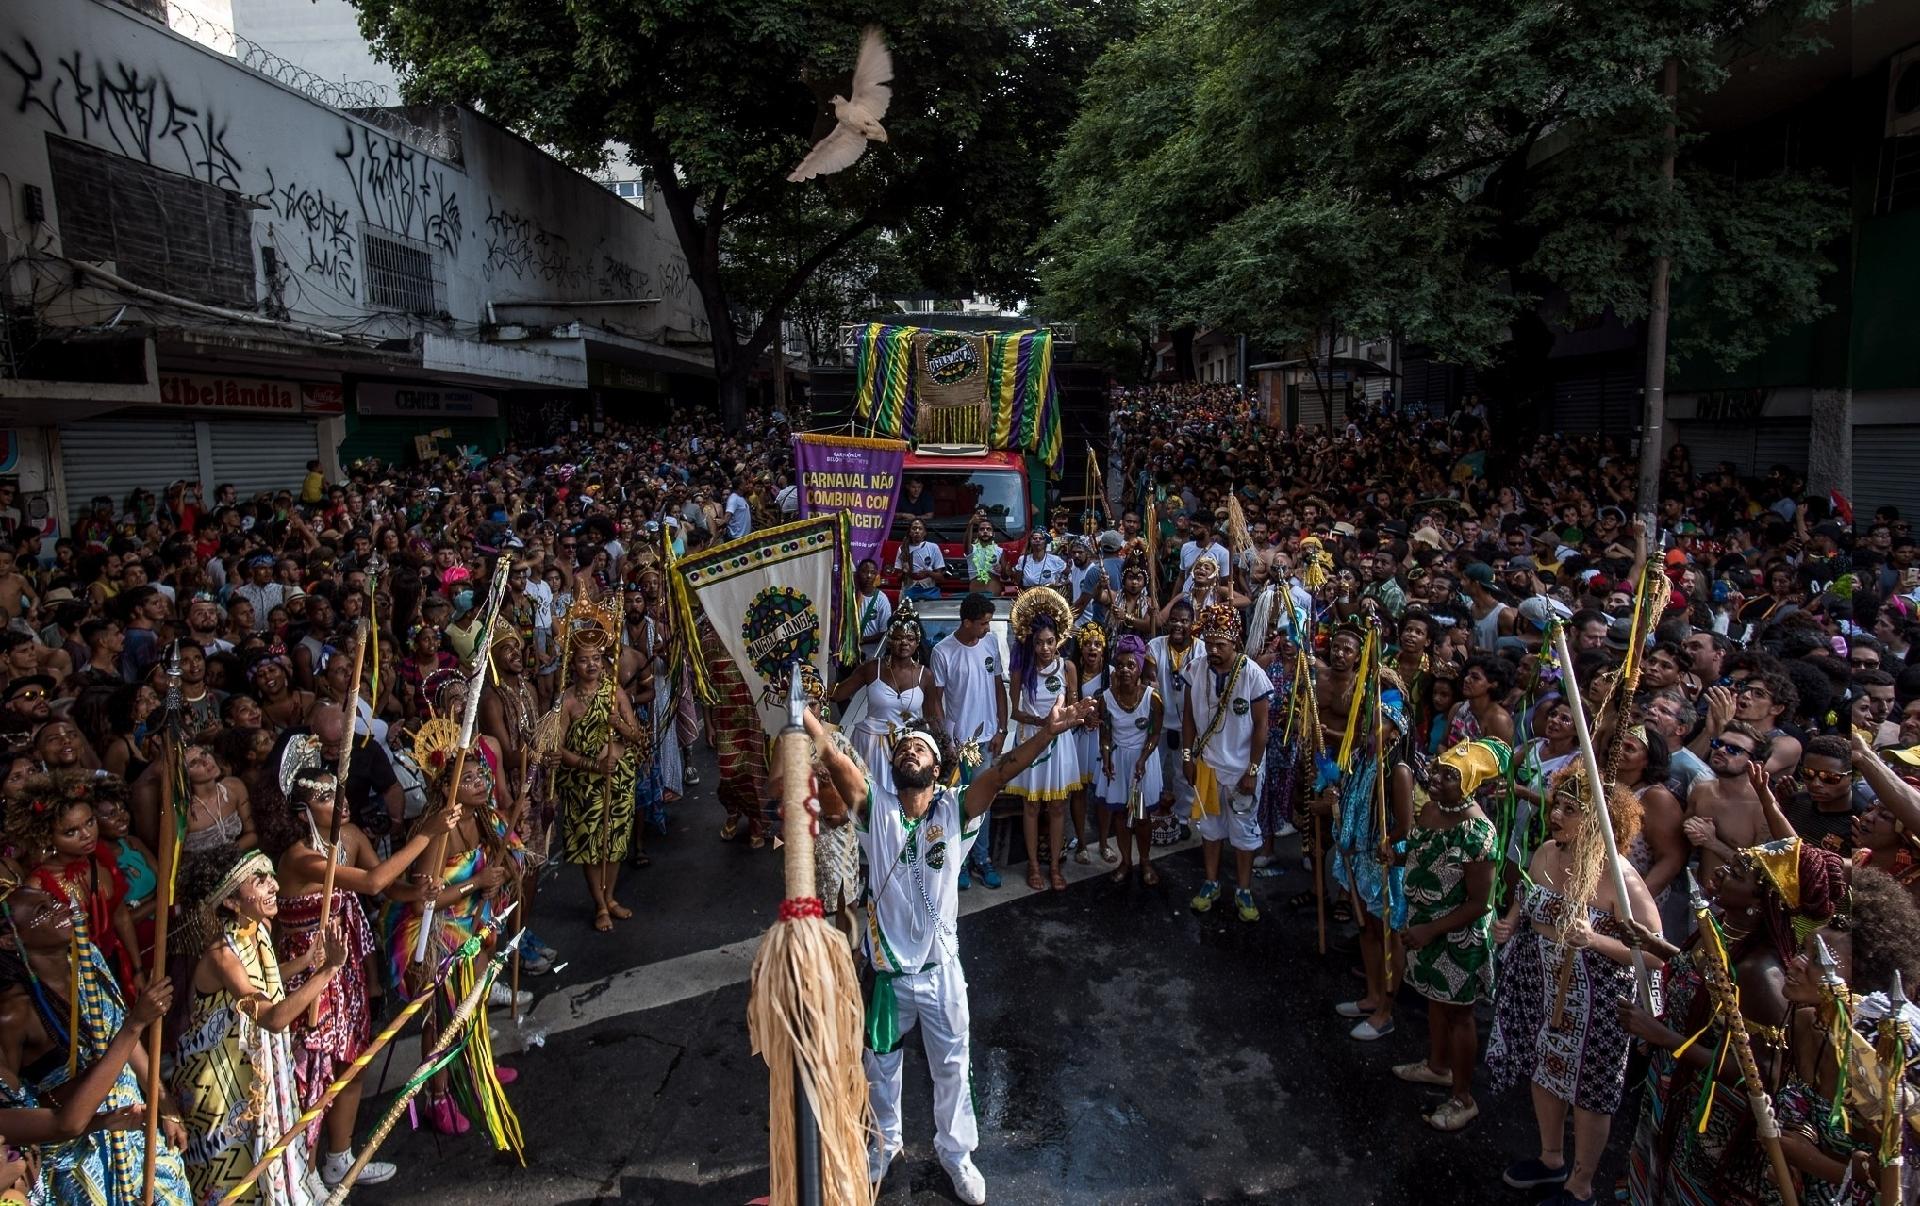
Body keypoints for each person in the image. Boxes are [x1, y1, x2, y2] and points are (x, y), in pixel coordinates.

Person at [801, 693, 1096, 1206]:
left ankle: (957, 1155)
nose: (907, 754)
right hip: (890, 979)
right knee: (881, 1067)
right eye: (902, 750)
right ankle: (884, 1145)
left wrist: (1048, 731)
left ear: (937, 767)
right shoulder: (877, 810)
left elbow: (1003, 769)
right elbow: (836, 758)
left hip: (941, 974)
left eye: (918, 749)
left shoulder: (955, 808)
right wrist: (800, 712)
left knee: (953, 1068)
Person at [259, 736, 456, 1187]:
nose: (339, 802)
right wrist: (428, 831)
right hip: (309, 970)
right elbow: (369, 881)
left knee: (352, 1061)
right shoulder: (300, 857)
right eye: (324, 797)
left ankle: (338, 1157)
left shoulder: (349, 837)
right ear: (300, 812)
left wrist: (415, 892)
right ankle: (302, 1174)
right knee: (312, 1072)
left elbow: (387, 887)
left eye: (337, 791)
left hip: (344, 965)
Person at [1488, 767, 1661, 1206]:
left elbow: (1657, 954)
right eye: (1557, 805)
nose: (1556, 815)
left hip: (1599, 1003)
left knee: (1590, 1091)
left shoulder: (1620, 877)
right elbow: (1525, 900)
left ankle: (1580, 1185)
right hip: (1543, 986)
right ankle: (1551, 1160)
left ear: (1601, 820)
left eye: (1571, 809)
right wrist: (1508, 921)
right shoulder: (1546, 852)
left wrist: (1597, 939)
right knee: (1545, 1071)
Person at [172, 843, 341, 1205]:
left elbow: (262, 982)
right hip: (219, 1083)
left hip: (245, 1073)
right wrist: (327, 971)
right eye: (259, 881)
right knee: (234, 1182)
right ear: (232, 902)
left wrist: (306, 962)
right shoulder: (221, 954)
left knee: (261, 1172)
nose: (274, 886)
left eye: (270, 878)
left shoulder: (256, 930)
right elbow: (273, 1017)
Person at [1393, 738, 1506, 1132]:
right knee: (1435, 1002)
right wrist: (1397, 853)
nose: (1434, 778)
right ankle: (1437, 1067)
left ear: (1472, 784)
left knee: (1459, 1014)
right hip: (1424, 929)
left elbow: (1479, 903)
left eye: (1448, 776)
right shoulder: (1430, 811)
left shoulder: (1479, 833)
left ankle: (1463, 1097)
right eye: (1437, 769)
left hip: (1458, 939)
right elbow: (1419, 850)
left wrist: (1429, 930)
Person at [547, 600, 645, 931]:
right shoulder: (568, 701)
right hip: (584, 783)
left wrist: (620, 725)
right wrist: (591, 765)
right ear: (572, 664)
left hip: (618, 777)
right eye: (583, 660)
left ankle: (612, 896)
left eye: (596, 658)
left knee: (614, 841)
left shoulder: (614, 690)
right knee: (591, 843)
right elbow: (558, 750)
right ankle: (599, 904)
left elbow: (637, 737)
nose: (591, 664)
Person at [1181, 604, 1273, 923]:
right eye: (1209, 644)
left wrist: (1252, 770)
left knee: (1244, 833)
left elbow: (1262, 727)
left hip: (1240, 772)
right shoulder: (1195, 669)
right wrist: (1187, 756)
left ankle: (1244, 890)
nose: (1214, 651)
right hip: (1206, 766)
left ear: (1236, 642)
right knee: (1210, 829)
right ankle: (1211, 883)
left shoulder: (1253, 675)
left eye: (1221, 644)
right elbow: (1188, 717)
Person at [926, 593, 1007, 890]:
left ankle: (982, 860)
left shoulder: (990, 643)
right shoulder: (942, 652)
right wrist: (946, 742)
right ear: (967, 622)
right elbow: (935, 701)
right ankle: (958, 862)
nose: (987, 629)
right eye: (983, 624)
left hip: (987, 741)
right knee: (958, 805)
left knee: (983, 803)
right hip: (958, 745)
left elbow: (999, 687)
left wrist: (1001, 730)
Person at [1006, 589, 1082, 891]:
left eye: (1050, 641)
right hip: (1031, 743)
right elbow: (1015, 711)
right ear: (1030, 641)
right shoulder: (1020, 670)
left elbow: (1074, 702)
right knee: (1032, 807)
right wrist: (1042, 722)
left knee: (1058, 808)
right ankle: (1034, 868)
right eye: (1039, 642)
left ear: (1059, 639)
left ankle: (1054, 867)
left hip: (1061, 744)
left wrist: (1076, 714)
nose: (1045, 648)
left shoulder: (1068, 667)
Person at [834, 601, 939, 796]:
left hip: (907, 750)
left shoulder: (926, 676)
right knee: (868, 801)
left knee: (904, 802)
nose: (904, 643)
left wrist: (943, 748)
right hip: (869, 745)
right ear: (889, 640)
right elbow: (838, 694)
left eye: (910, 638)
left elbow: (932, 717)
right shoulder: (872, 668)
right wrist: (811, 683)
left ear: (917, 642)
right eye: (898, 638)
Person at [1097, 634, 1163, 885]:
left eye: (1131, 665)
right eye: (1121, 665)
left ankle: (1145, 860)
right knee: (1120, 816)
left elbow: (1155, 734)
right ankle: (1126, 861)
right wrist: (1105, 758)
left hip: (1141, 765)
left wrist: (1143, 758)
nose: (1125, 670)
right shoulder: (1106, 698)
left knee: (1141, 815)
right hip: (1118, 761)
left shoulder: (1152, 698)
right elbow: (1105, 734)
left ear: (1139, 668)